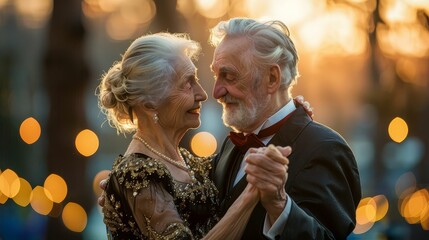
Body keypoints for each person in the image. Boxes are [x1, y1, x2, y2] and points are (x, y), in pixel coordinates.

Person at [96, 32, 266, 239]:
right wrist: (250, 197)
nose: (202, 94)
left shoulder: (189, 162)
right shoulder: (136, 175)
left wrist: (290, 112)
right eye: (188, 83)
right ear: (150, 103)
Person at [208, 17, 362, 239]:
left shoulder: (327, 149)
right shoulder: (230, 145)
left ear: (272, 78)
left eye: (229, 76)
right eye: (216, 75)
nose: (216, 92)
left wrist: (280, 205)